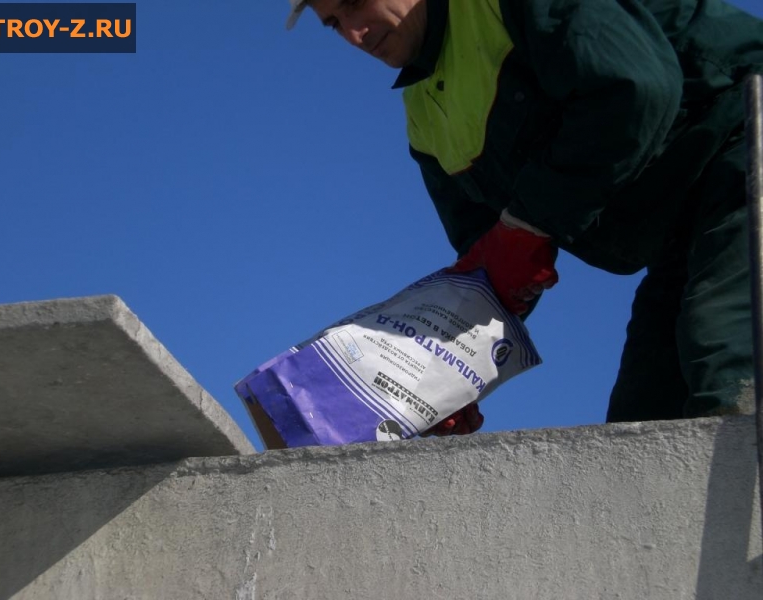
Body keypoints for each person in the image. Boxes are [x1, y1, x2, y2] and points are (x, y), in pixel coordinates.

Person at [285, 0, 763, 435]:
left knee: (728, 361)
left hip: (747, 138)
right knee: (647, 421)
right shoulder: (426, 119)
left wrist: (529, 222)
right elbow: (491, 268)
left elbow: (634, 88)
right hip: (684, 232)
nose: (354, 35)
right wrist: (441, 378)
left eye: (354, 4)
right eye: (334, 24)